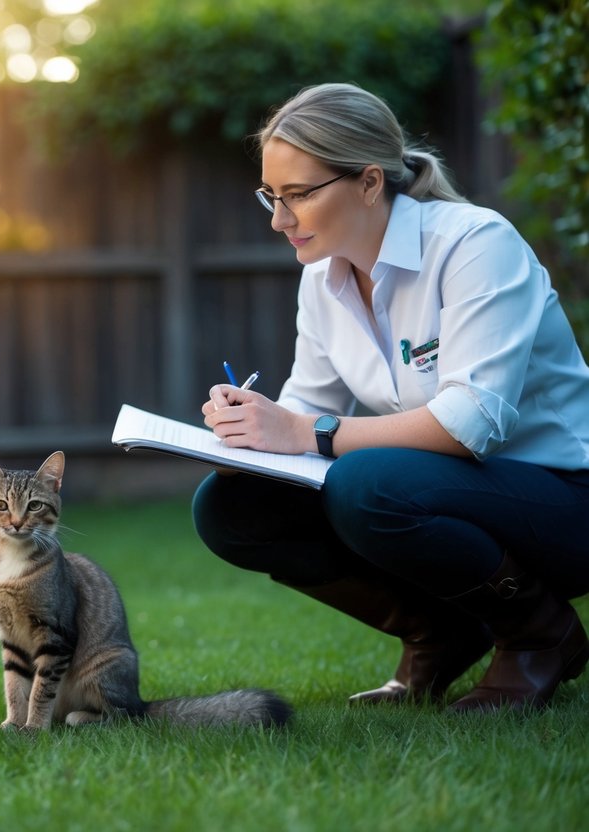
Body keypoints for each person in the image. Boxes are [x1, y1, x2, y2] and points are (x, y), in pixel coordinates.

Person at [191, 82, 589, 712]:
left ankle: (539, 633)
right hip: (466, 494)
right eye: (271, 195)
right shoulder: (323, 278)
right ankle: (441, 631)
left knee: (367, 485)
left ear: (370, 182)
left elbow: (469, 424)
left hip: (566, 499)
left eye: (298, 195)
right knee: (231, 508)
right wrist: (246, 437)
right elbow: (300, 418)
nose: (278, 218)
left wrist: (304, 433)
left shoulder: (474, 243)